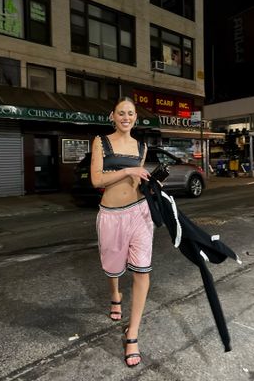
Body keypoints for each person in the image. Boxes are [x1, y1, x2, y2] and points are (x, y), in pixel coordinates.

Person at [90, 96, 154, 367]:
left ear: (135, 118)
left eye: (130, 113)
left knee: (142, 271)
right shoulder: (100, 142)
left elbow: (137, 181)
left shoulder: (142, 146)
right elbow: (96, 180)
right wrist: (127, 169)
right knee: (113, 267)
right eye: (121, 113)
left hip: (139, 213)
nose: (126, 117)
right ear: (112, 116)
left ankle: (133, 334)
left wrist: (150, 182)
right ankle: (115, 295)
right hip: (111, 216)